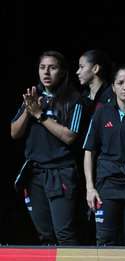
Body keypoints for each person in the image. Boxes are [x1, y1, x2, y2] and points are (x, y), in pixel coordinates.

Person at [11, 50, 86, 245]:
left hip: (60, 173)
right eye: (42, 67)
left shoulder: (75, 100)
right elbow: (14, 133)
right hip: (35, 173)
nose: (46, 73)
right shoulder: (33, 95)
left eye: (52, 68)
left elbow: (69, 137)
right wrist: (29, 111)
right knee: (45, 234)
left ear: (62, 72)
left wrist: (40, 115)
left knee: (64, 233)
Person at [83, 65, 125, 245]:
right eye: (120, 83)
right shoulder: (102, 113)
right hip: (107, 185)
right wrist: (90, 188)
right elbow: (89, 151)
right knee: (106, 241)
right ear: (113, 87)